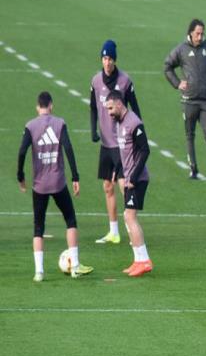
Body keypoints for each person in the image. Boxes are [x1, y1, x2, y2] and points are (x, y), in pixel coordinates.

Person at [17, 91, 93, 281]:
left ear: (37, 107)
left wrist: (20, 175)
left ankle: (39, 272)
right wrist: (75, 177)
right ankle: (75, 266)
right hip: (58, 183)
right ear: (51, 105)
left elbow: (22, 151)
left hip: (39, 185)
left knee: (38, 227)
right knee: (70, 220)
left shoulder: (30, 126)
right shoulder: (60, 123)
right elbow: (68, 148)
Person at [90, 39, 142, 244]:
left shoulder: (125, 81)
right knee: (107, 186)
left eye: (110, 58)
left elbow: (136, 108)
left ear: (115, 60)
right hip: (106, 143)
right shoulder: (95, 81)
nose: (107, 62)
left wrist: (138, 133)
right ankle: (113, 232)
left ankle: (132, 229)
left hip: (122, 143)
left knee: (124, 185)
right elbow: (93, 107)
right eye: (104, 58)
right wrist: (93, 129)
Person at [164, 18, 206, 180]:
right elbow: (167, 66)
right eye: (197, 33)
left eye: (202, 33)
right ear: (190, 33)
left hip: (205, 101)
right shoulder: (181, 49)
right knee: (190, 135)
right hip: (189, 101)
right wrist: (177, 83)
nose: (200, 36)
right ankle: (193, 169)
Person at [105, 90, 153, 277]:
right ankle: (138, 260)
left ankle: (145, 261)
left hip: (137, 179)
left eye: (110, 108)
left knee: (129, 216)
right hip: (129, 176)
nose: (109, 113)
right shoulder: (119, 122)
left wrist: (133, 177)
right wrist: (118, 168)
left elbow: (145, 150)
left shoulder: (134, 122)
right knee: (128, 216)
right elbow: (124, 151)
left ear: (119, 103)